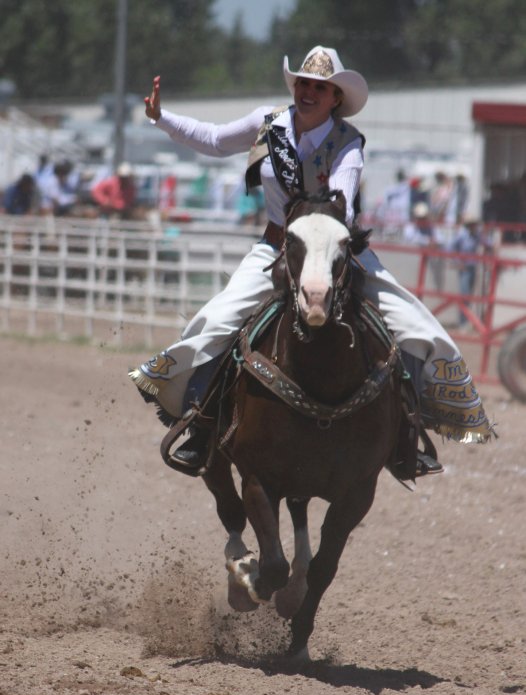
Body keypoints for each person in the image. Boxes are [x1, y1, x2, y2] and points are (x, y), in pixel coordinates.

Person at [129, 45, 494, 474]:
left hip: (336, 248)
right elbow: (212, 139)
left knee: (414, 323)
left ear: (335, 97)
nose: (308, 92)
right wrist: (160, 117)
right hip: (275, 247)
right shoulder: (268, 124)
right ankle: (200, 422)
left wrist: (326, 237)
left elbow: (345, 198)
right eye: (303, 83)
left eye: (319, 87)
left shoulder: (348, 144)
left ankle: (409, 432)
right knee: (217, 319)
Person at [451, 216, 487, 327]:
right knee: (465, 295)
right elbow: (451, 247)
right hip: (465, 268)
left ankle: (466, 322)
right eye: (472, 225)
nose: (474, 227)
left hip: (473, 268)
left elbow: (488, 243)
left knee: (469, 296)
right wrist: (458, 262)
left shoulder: (477, 236)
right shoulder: (462, 236)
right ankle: (462, 322)